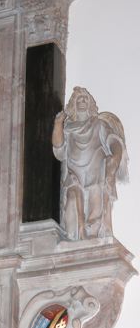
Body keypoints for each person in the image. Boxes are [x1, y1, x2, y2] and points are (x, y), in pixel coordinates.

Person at [52, 87, 128, 240]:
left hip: (95, 174)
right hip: (75, 176)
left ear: (90, 104)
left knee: (94, 211)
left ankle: (93, 234)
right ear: (73, 103)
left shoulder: (98, 125)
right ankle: (75, 235)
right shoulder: (68, 129)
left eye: (85, 99)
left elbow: (112, 140)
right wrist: (58, 124)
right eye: (79, 99)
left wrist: (116, 155)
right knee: (71, 208)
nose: (82, 101)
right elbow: (58, 149)